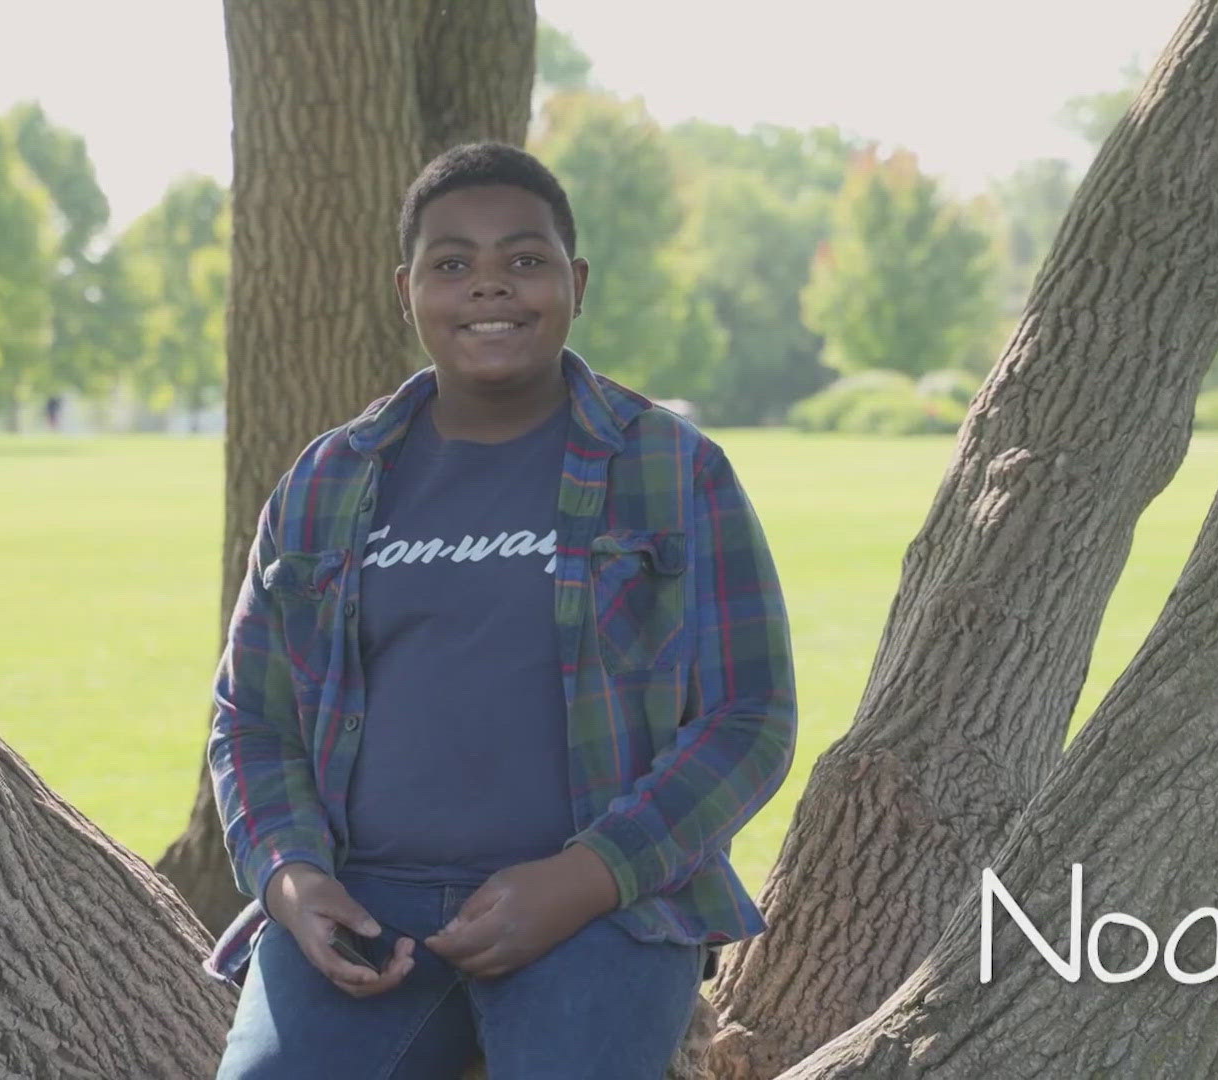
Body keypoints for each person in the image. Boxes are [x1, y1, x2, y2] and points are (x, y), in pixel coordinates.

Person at [206, 142, 797, 1079]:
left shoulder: (671, 470)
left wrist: (585, 878)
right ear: (408, 290)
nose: (490, 288)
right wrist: (291, 878)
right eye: (453, 265)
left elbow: (750, 717)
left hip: (600, 908)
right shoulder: (325, 483)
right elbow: (252, 718)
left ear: (577, 281)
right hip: (367, 908)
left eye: (525, 261)